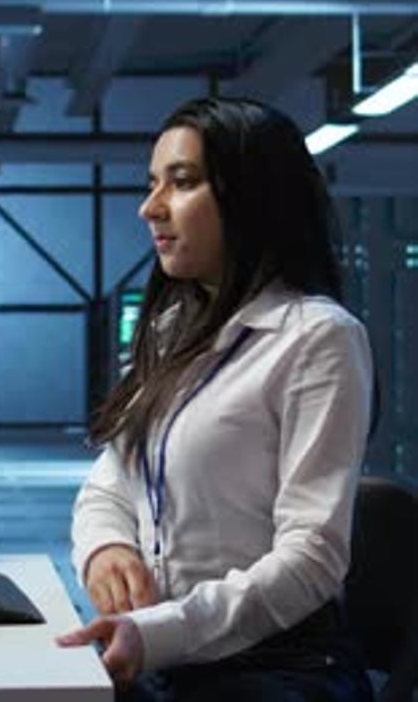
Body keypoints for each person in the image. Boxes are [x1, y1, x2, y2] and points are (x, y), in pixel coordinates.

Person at [57, 97, 375, 702]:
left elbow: (312, 557)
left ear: (251, 198)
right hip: (163, 652)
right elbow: (111, 483)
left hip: (277, 667)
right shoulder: (170, 329)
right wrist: (105, 547)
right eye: (152, 185)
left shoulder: (317, 338)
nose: (150, 207)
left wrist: (162, 633)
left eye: (182, 183)